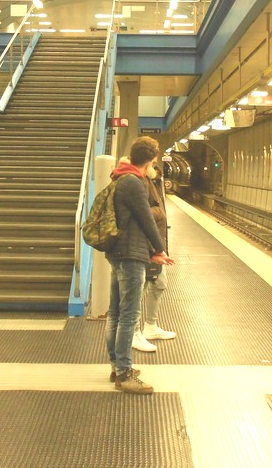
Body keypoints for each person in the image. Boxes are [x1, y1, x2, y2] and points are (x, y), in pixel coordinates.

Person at [105, 136, 175, 395]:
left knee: (115, 313)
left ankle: (117, 367)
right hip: (131, 255)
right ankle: (124, 374)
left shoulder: (120, 176)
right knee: (128, 315)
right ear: (150, 161)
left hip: (119, 251)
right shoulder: (134, 182)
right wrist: (159, 249)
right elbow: (146, 219)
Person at [132, 163, 176, 352]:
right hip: (144, 247)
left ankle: (150, 326)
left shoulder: (154, 184)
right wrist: (154, 250)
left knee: (159, 283)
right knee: (138, 290)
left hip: (155, 245)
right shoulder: (139, 183)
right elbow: (141, 215)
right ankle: (134, 332)